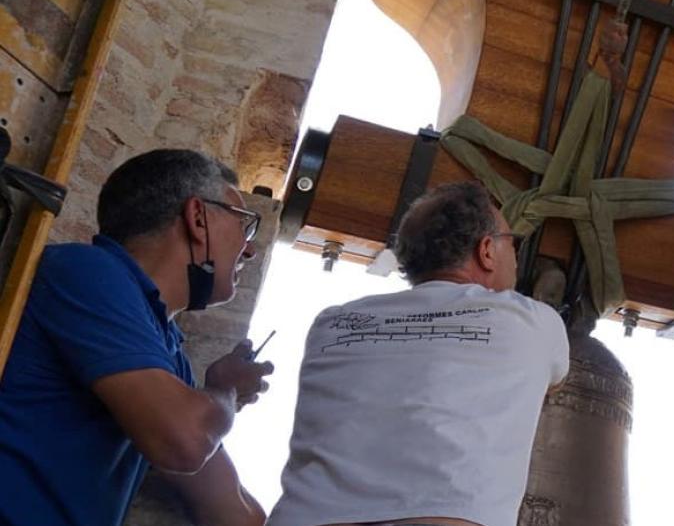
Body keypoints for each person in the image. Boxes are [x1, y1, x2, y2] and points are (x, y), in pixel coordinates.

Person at [268, 181, 569, 526]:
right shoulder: (533, 322)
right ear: (487, 250)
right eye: (512, 243)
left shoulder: (332, 324)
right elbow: (554, 383)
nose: (516, 256)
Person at [0, 149, 274, 526]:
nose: (250, 249)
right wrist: (225, 390)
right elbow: (184, 441)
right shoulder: (87, 271)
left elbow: (234, 515)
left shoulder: (166, 350)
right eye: (244, 224)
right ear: (198, 218)